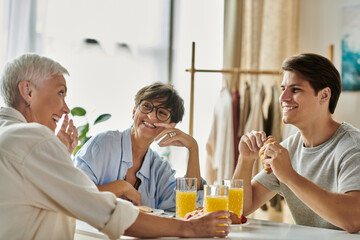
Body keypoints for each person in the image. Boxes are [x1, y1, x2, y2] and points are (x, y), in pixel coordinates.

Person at [0, 53, 231, 239]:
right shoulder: (33, 140)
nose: (66, 108)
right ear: (28, 91)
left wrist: (193, 149)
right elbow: (103, 210)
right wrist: (190, 229)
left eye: (161, 113)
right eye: (60, 93)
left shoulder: (12, 135)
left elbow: (185, 205)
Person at [233, 53, 360, 233]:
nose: (283, 97)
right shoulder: (288, 148)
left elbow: (353, 220)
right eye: (283, 88)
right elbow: (240, 209)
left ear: (324, 95)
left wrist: (289, 176)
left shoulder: (353, 147)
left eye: (295, 89)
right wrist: (245, 161)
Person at [74, 82, 205, 211]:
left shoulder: (159, 167)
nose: (151, 116)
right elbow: (74, 195)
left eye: (162, 113)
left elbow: (188, 205)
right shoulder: (103, 144)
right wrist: (122, 187)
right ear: (134, 111)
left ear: (171, 126)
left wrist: (193, 148)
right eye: (147, 106)